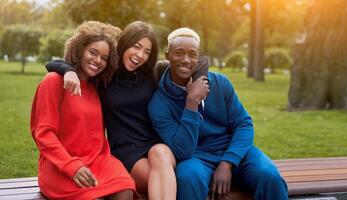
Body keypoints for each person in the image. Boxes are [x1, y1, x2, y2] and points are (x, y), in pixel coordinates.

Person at [45, 21, 209, 200]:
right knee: (164, 182)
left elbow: (200, 61)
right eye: (136, 47)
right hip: (125, 151)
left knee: (160, 155)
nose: (140, 56)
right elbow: (54, 63)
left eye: (147, 52)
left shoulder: (155, 72)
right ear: (123, 44)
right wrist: (68, 71)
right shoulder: (105, 74)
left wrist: (198, 84)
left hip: (156, 147)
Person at [148, 27, 289, 200]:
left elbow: (244, 124)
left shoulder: (220, 83)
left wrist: (227, 163)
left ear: (198, 57)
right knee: (187, 179)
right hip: (196, 157)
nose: (186, 60)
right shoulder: (159, 103)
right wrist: (191, 102)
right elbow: (182, 151)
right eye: (179, 53)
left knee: (270, 176)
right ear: (167, 55)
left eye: (192, 54)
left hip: (233, 150)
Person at [30, 21, 136, 200]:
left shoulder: (96, 87)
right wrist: (72, 166)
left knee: (125, 188)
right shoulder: (53, 82)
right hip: (60, 165)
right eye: (93, 53)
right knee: (91, 197)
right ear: (79, 50)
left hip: (97, 160)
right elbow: (44, 133)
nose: (98, 61)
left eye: (104, 58)